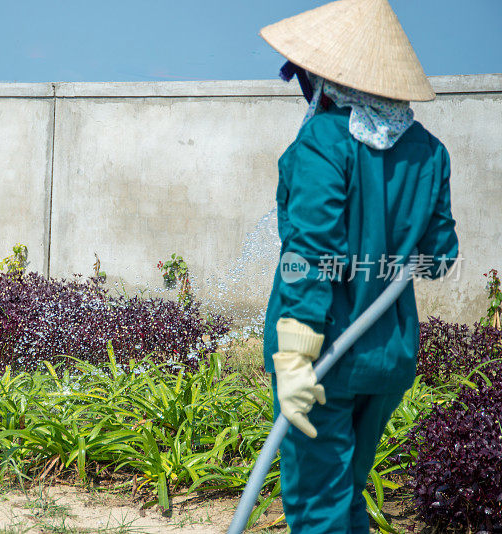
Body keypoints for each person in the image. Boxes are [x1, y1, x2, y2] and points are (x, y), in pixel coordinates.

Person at [259, 0, 460, 532]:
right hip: (388, 359)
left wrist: (296, 357)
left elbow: (309, 257)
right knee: (345, 493)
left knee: (318, 506)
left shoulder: (324, 142)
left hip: (322, 357)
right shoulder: (429, 152)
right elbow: (441, 255)